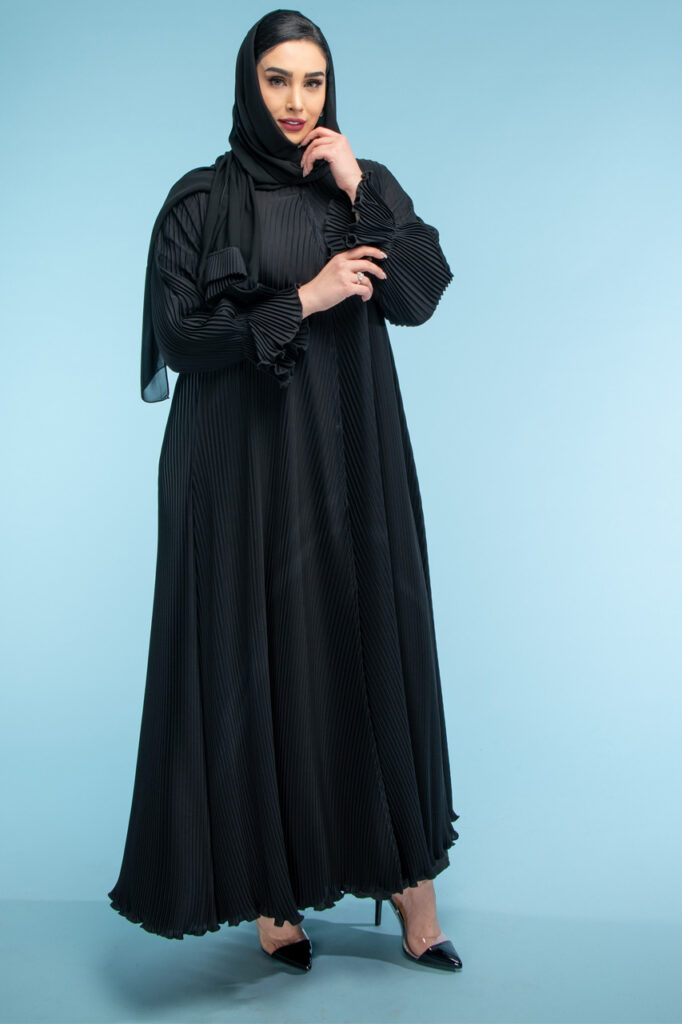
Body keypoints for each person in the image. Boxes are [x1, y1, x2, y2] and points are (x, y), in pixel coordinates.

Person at [107, 8, 462, 974]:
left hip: (351, 458)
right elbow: (181, 338)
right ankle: (276, 896)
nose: (297, 102)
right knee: (259, 657)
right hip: (241, 469)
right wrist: (307, 297)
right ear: (247, 85)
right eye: (277, 80)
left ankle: (411, 884)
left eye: (313, 80)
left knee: (367, 639)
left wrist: (360, 188)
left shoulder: (360, 185)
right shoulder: (200, 202)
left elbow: (419, 296)